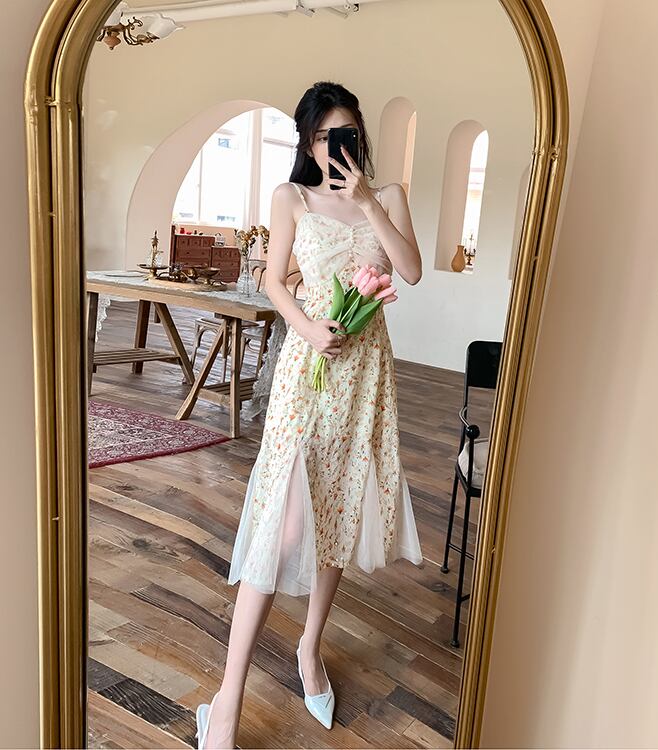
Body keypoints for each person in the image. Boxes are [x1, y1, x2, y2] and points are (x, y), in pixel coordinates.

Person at [195, 81, 424, 749]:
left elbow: (409, 271)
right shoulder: (290, 197)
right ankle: (227, 700)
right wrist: (308, 329)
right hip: (308, 372)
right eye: (322, 136)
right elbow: (273, 279)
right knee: (282, 522)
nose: (333, 146)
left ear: (360, 138)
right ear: (307, 142)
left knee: (338, 510)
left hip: (365, 375)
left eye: (343, 133)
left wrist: (366, 202)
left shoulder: (389, 198)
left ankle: (309, 647)